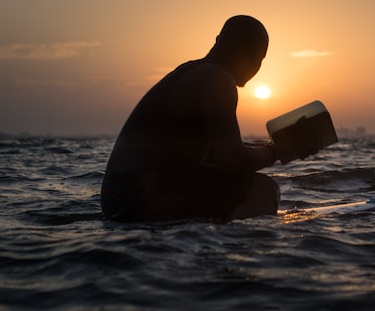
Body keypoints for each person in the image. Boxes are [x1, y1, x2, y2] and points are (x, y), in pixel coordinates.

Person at [101, 15, 280, 223]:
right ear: (248, 55)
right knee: (264, 189)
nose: (257, 66)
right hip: (136, 195)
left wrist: (273, 147)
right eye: (258, 57)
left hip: (118, 198)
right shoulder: (216, 79)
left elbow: (221, 154)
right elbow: (232, 160)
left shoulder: (196, 71)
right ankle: (231, 243)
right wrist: (278, 151)